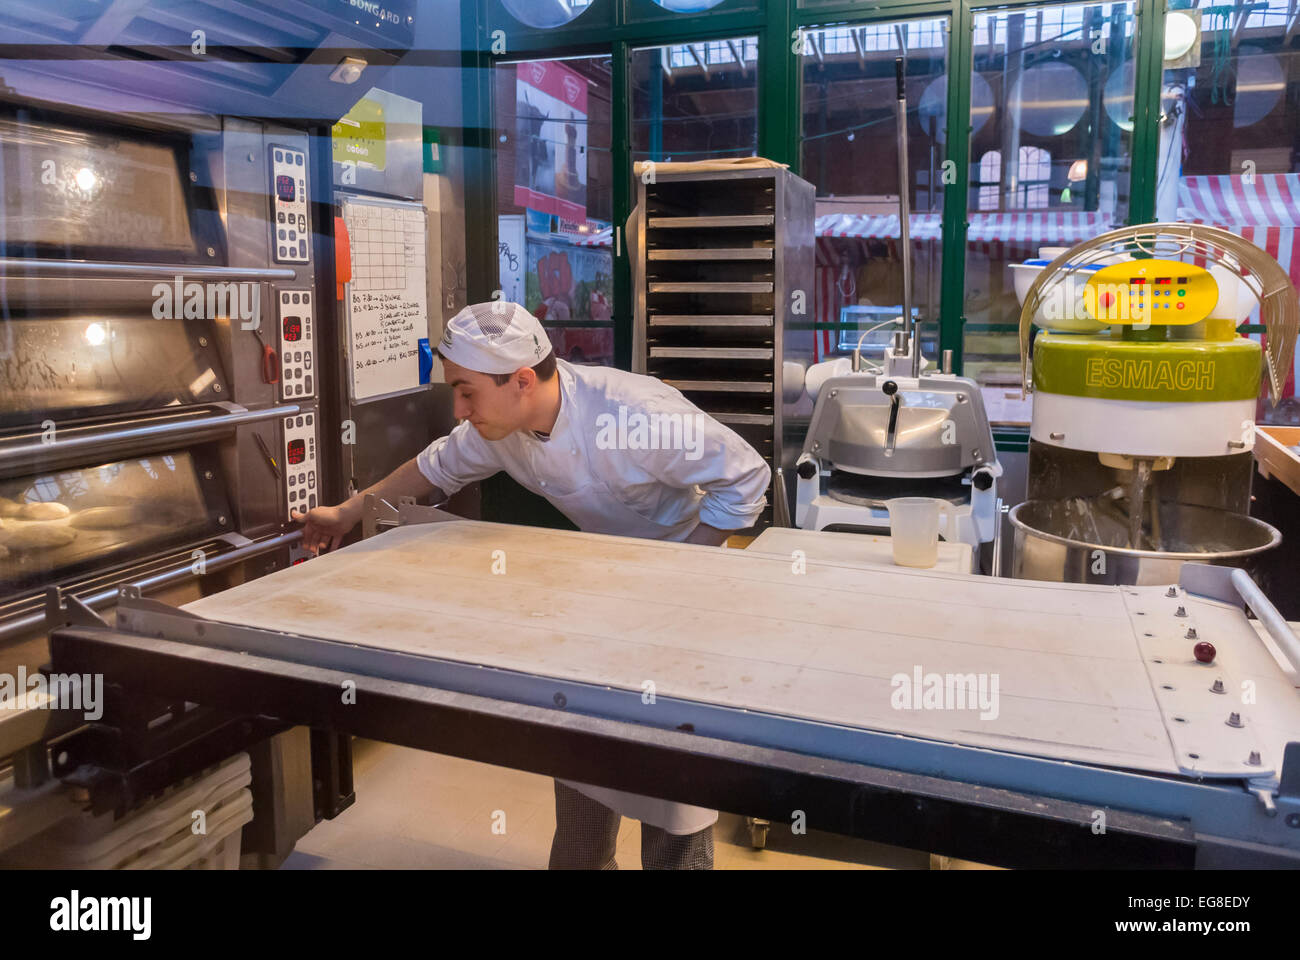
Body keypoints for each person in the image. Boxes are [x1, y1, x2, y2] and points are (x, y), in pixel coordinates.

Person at [294, 301, 770, 869]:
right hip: (606, 588)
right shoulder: (502, 427)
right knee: (583, 751)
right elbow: (436, 466)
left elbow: (746, 478)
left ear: (522, 380)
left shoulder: (632, 415)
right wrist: (347, 513)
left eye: (467, 392)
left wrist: (675, 572)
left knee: (673, 783)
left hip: (685, 592)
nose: (459, 408)